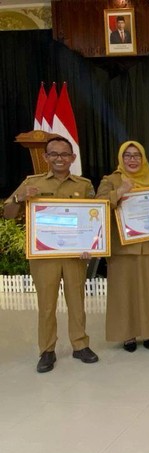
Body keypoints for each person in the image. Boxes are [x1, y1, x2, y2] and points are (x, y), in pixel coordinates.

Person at [3, 136, 99, 373]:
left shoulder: (83, 185)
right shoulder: (31, 183)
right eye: (54, 154)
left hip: (75, 255)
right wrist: (19, 198)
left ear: (72, 158)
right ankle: (47, 350)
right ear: (46, 157)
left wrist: (92, 245)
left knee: (77, 301)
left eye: (64, 154)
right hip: (44, 256)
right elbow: (7, 213)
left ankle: (80, 345)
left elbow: (95, 218)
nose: (59, 159)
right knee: (47, 305)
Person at [96, 141, 149, 352]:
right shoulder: (111, 180)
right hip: (123, 248)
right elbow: (99, 206)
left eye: (137, 155)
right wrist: (119, 191)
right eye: (128, 155)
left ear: (143, 158)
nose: (132, 160)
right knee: (124, 292)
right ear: (121, 158)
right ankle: (127, 334)